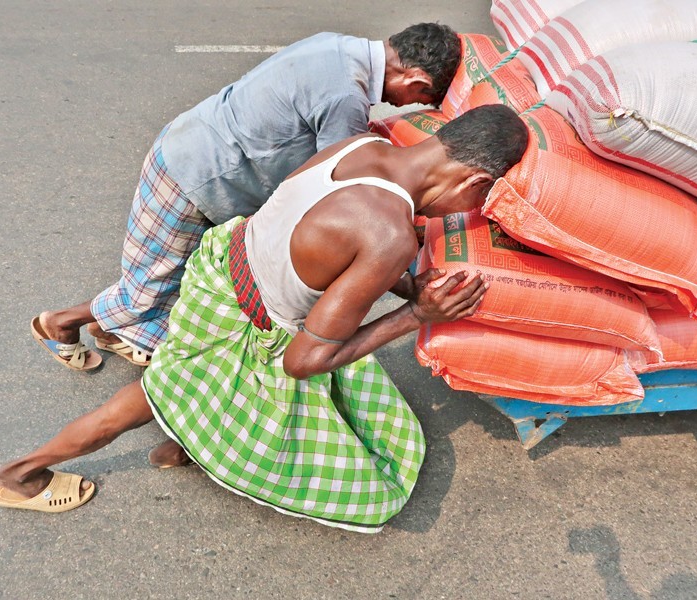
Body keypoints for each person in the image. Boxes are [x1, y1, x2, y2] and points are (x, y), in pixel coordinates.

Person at [0, 104, 529, 532]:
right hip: (246, 326)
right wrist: (416, 313)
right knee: (135, 405)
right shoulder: (388, 234)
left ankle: (185, 443)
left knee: (193, 385)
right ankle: (20, 475)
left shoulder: (361, 147)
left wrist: (409, 282)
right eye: (480, 201)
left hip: (221, 277)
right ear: (473, 183)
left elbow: (326, 238)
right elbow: (303, 361)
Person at [30, 23, 463, 371]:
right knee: (147, 290)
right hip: (196, 177)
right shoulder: (345, 98)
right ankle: (59, 323)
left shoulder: (337, 46)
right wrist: (409, 281)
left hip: (194, 147)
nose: (405, 106)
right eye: (418, 100)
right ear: (416, 79)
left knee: (169, 276)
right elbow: (349, 188)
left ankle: (111, 332)